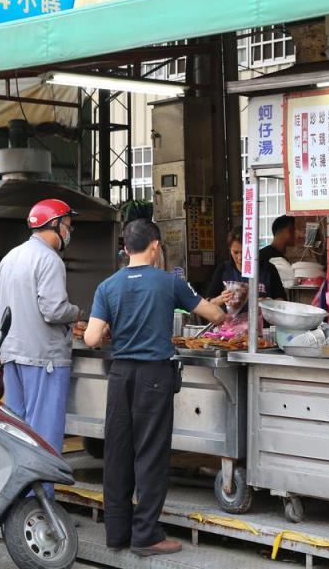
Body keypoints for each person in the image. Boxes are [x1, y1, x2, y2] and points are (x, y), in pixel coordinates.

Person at [83, 219, 225, 556]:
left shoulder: (108, 286)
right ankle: (145, 535)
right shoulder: (169, 282)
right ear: (155, 246)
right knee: (150, 453)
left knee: (118, 453)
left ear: (126, 249)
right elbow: (215, 316)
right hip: (154, 376)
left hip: (120, 376)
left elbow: (90, 338)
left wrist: (109, 331)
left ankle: (117, 533)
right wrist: (220, 304)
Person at [0, 199, 84, 486]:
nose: (70, 229)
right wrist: (76, 312)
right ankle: (42, 506)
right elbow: (54, 310)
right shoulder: (50, 259)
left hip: (11, 355)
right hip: (45, 358)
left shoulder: (11, 256)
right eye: (68, 223)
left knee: (20, 432)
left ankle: (19, 498)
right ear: (55, 224)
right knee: (44, 436)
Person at [205, 226, 285, 310]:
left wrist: (267, 303)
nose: (240, 258)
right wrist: (221, 299)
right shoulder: (223, 269)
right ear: (229, 249)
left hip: (261, 321)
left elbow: (282, 300)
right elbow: (208, 302)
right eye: (235, 252)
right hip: (231, 322)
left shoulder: (268, 269)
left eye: (245, 252)